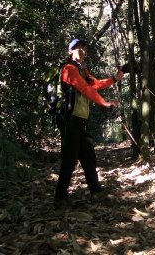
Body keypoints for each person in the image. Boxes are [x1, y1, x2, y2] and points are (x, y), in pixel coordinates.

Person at [54, 38, 123, 207]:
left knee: (88, 157)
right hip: (70, 119)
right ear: (70, 52)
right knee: (70, 158)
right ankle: (60, 197)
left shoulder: (82, 70)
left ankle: (96, 192)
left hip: (80, 120)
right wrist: (104, 103)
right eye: (77, 48)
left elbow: (95, 84)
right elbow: (85, 89)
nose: (81, 51)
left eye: (83, 48)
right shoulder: (69, 69)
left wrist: (114, 79)